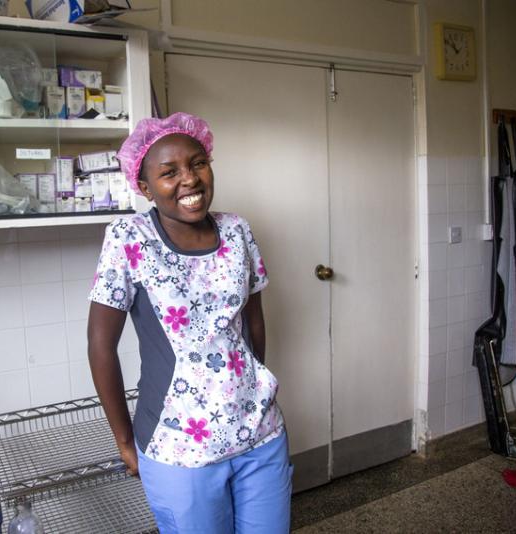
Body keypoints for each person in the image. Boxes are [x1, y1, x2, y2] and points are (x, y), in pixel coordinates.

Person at [87, 112, 292, 533]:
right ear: (145, 187)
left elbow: (254, 321)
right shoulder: (129, 238)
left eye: (198, 163)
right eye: (169, 172)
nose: (190, 179)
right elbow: (100, 345)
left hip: (260, 433)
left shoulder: (237, 230)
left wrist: (250, 388)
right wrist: (124, 441)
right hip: (178, 445)